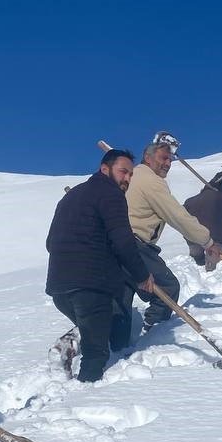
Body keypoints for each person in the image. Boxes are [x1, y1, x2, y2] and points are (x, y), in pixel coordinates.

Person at [45, 149, 156, 381]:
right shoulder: (110, 194)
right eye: (123, 172)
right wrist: (142, 274)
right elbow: (123, 240)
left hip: (59, 287)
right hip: (90, 284)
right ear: (105, 169)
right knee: (97, 353)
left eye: (131, 175)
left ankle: (69, 344)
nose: (127, 179)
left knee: (96, 328)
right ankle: (85, 397)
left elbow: (50, 242)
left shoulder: (70, 197)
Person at [124, 140, 222, 331]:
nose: (168, 163)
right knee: (167, 289)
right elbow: (177, 215)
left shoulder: (132, 177)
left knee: (120, 302)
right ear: (147, 158)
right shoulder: (150, 180)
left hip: (116, 244)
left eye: (170, 160)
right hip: (135, 245)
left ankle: (83, 338)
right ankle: (152, 334)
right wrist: (207, 241)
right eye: (163, 158)